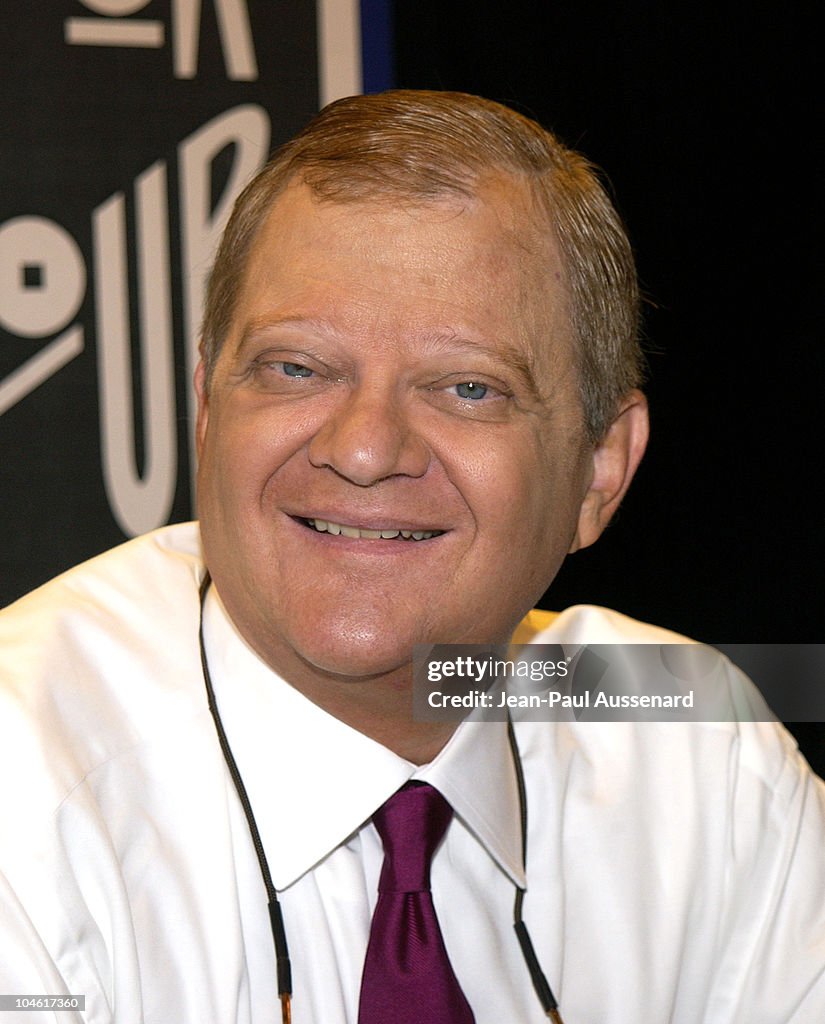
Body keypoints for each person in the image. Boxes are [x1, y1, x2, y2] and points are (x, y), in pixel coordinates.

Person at [0, 90, 823, 1024]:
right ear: (205, 406)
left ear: (598, 471)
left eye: (467, 388)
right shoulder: (20, 779)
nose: (362, 448)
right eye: (295, 368)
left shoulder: (693, 744)